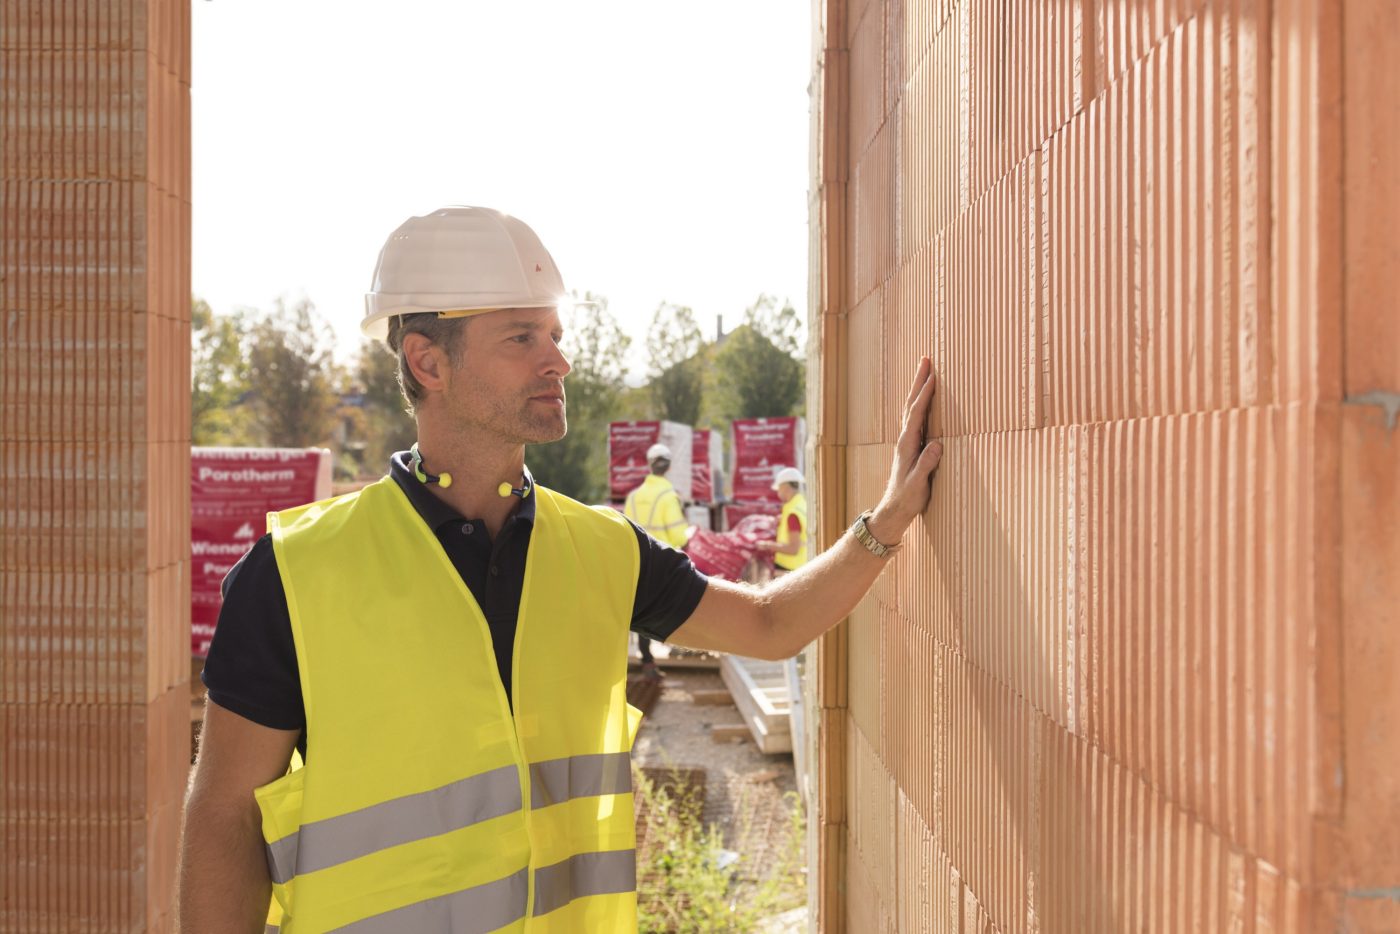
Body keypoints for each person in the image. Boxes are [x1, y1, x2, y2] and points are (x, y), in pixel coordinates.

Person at [177, 205, 943, 934]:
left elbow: (772, 626)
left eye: (555, 333)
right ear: (427, 361)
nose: (560, 360)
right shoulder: (297, 573)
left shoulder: (603, 548)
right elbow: (223, 818)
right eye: (521, 339)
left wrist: (887, 522)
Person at [621, 443, 689, 678]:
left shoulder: (633, 496)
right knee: (673, 605)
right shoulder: (668, 496)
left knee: (640, 609)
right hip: (665, 562)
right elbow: (679, 535)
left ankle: (647, 659)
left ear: (649, 465)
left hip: (636, 560)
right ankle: (679, 649)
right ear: (668, 466)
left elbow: (624, 528)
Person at [754, 466, 808, 573]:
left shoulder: (792, 514)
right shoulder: (802, 505)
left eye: (779, 489)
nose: (778, 493)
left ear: (786, 487)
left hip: (789, 570)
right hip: (801, 566)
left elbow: (793, 549)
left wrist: (767, 545)